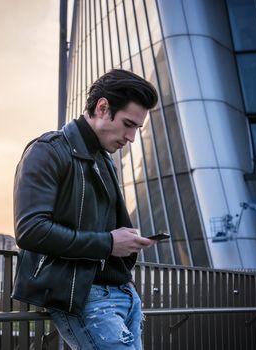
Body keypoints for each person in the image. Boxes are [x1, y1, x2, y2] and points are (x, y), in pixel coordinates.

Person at [12, 69, 159, 349]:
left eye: (136, 128)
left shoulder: (104, 160)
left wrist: (124, 240)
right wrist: (109, 243)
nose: (130, 137)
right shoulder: (49, 150)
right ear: (103, 108)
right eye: (128, 124)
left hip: (124, 295)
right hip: (86, 297)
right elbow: (30, 230)